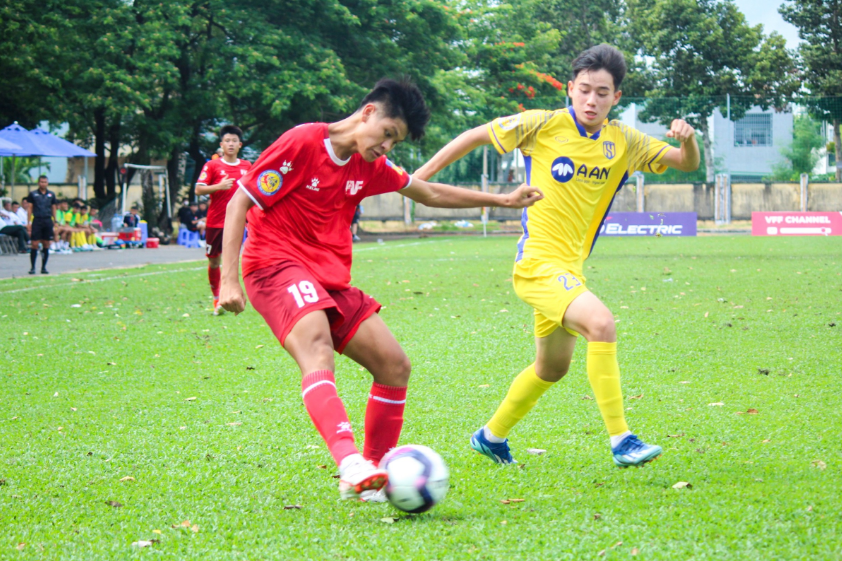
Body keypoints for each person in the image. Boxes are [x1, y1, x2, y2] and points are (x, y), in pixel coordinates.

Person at [218, 78, 543, 500]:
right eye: (388, 134)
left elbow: (425, 191)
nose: (387, 146)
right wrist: (228, 280)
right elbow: (239, 201)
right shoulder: (302, 142)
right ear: (368, 112)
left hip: (329, 280)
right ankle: (349, 460)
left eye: (396, 142)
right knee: (315, 345)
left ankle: (371, 478)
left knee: (394, 365)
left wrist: (501, 201)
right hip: (273, 266)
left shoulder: (371, 167)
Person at [414, 44, 700, 468]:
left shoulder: (624, 141)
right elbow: (474, 135)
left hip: (569, 270)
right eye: (584, 89)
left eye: (603, 92)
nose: (591, 100)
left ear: (616, 97)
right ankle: (622, 439)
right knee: (601, 323)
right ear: (570, 88)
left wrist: (690, 140)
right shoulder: (540, 125)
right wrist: (417, 179)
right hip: (537, 265)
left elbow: (685, 163)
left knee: (551, 369)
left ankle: (490, 437)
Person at [195, 125, 252, 314]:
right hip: (215, 222)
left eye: (234, 141)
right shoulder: (212, 165)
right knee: (214, 261)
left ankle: (238, 295)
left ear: (240, 145)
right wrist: (218, 186)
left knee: (240, 260)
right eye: (227, 141)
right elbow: (199, 189)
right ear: (221, 144)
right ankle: (217, 298)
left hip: (239, 224)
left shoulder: (247, 166)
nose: (230, 144)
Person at [24, 175, 58, 274]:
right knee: (34, 244)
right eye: (41, 182)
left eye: (45, 182)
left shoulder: (51, 194)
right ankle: (32, 267)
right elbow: (30, 208)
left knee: (46, 244)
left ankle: (44, 267)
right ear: (38, 183)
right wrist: (29, 222)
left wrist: (55, 220)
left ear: (47, 183)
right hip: (37, 220)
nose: (43, 183)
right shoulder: (33, 194)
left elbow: (53, 208)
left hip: (47, 220)